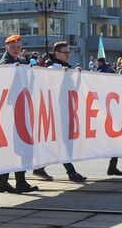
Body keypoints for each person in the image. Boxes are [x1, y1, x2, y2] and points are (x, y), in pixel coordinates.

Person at [30, 42, 86, 183]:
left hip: (64, 110)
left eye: (68, 52)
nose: (67, 55)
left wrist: (77, 75)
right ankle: (71, 172)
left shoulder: (64, 68)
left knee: (58, 143)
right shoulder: (52, 69)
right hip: (55, 112)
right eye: (65, 52)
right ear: (56, 54)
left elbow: (72, 88)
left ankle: (40, 167)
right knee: (62, 143)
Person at [0, 35, 39, 194]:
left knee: (21, 146)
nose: (16, 49)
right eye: (13, 47)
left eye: (18, 47)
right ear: (6, 48)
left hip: (21, 108)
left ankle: (12, 182)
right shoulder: (4, 64)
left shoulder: (22, 63)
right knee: (11, 147)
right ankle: (8, 182)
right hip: (10, 111)